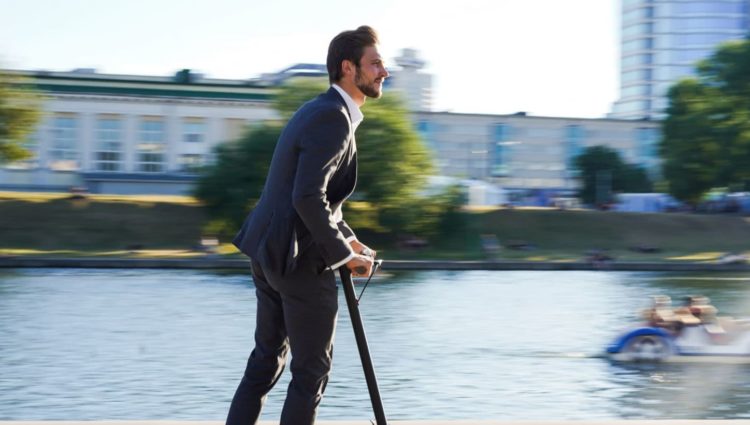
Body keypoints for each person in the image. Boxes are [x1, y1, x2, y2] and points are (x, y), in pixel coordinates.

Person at [226, 25, 388, 425]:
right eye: (376, 63)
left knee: (267, 360)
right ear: (348, 68)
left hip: (270, 253)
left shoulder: (320, 110)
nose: (384, 72)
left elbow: (322, 202)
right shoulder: (333, 119)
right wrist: (343, 256)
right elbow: (305, 197)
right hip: (297, 261)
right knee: (311, 370)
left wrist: (351, 243)